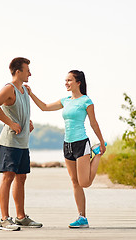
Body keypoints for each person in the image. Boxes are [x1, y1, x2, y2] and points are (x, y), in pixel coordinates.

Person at [26, 70, 106, 228]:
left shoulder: (86, 101)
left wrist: (101, 142)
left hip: (81, 143)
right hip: (67, 144)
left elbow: (93, 123)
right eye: (65, 80)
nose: (66, 83)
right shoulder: (65, 100)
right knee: (75, 182)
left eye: (69, 80)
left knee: (84, 183)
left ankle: (96, 155)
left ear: (78, 82)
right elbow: (44, 107)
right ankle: (82, 218)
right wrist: (31, 94)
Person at [0, 57, 43, 231]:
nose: (30, 73)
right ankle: (4, 219)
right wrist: (10, 123)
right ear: (18, 71)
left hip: (22, 143)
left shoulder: (24, 90)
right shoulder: (8, 89)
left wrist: (28, 123)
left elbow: (20, 112)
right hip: (9, 142)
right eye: (28, 70)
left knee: (21, 177)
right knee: (8, 177)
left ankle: (20, 217)